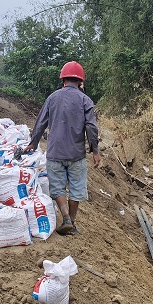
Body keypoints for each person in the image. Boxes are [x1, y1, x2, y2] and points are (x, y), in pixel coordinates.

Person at [25, 61, 100, 235]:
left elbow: (40, 122)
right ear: (80, 82)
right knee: (76, 188)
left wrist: (33, 143)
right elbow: (91, 127)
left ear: (63, 80)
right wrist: (95, 151)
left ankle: (65, 217)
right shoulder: (85, 99)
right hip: (76, 154)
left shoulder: (52, 98)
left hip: (55, 153)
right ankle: (71, 223)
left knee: (57, 187)